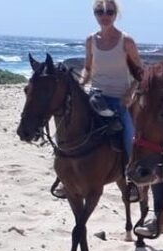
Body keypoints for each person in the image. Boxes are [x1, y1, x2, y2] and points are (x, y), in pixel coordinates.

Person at [53, 0, 140, 202]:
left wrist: (130, 93)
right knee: (64, 130)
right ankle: (64, 178)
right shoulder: (90, 40)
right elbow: (88, 68)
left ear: (115, 14)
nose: (104, 15)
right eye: (99, 12)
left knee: (130, 138)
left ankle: (132, 181)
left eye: (109, 11)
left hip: (119, 101)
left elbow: (139, 72)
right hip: (95, 97)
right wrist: (82, 81)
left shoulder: (126, 41)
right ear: (95, 14)